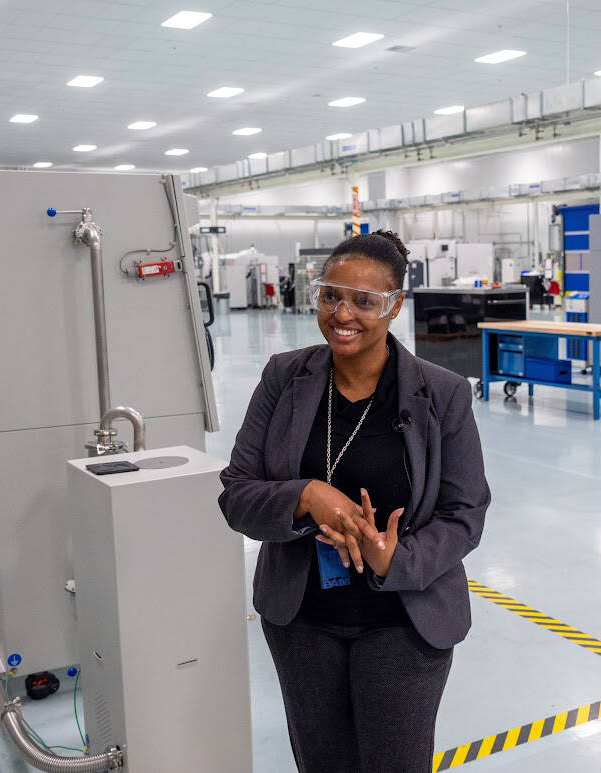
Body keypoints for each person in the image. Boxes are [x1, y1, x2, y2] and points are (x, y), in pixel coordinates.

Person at [219, 230, 491, 773]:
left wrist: (398, 560)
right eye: (331, 296)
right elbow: (237, 493)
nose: (343, 313)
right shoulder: (283, 378)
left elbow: (465, 514)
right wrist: (306, 496)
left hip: (404, 623)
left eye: (364, 301)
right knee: (321, 761)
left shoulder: (442, 394)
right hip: (303, 622)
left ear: (395, 306)